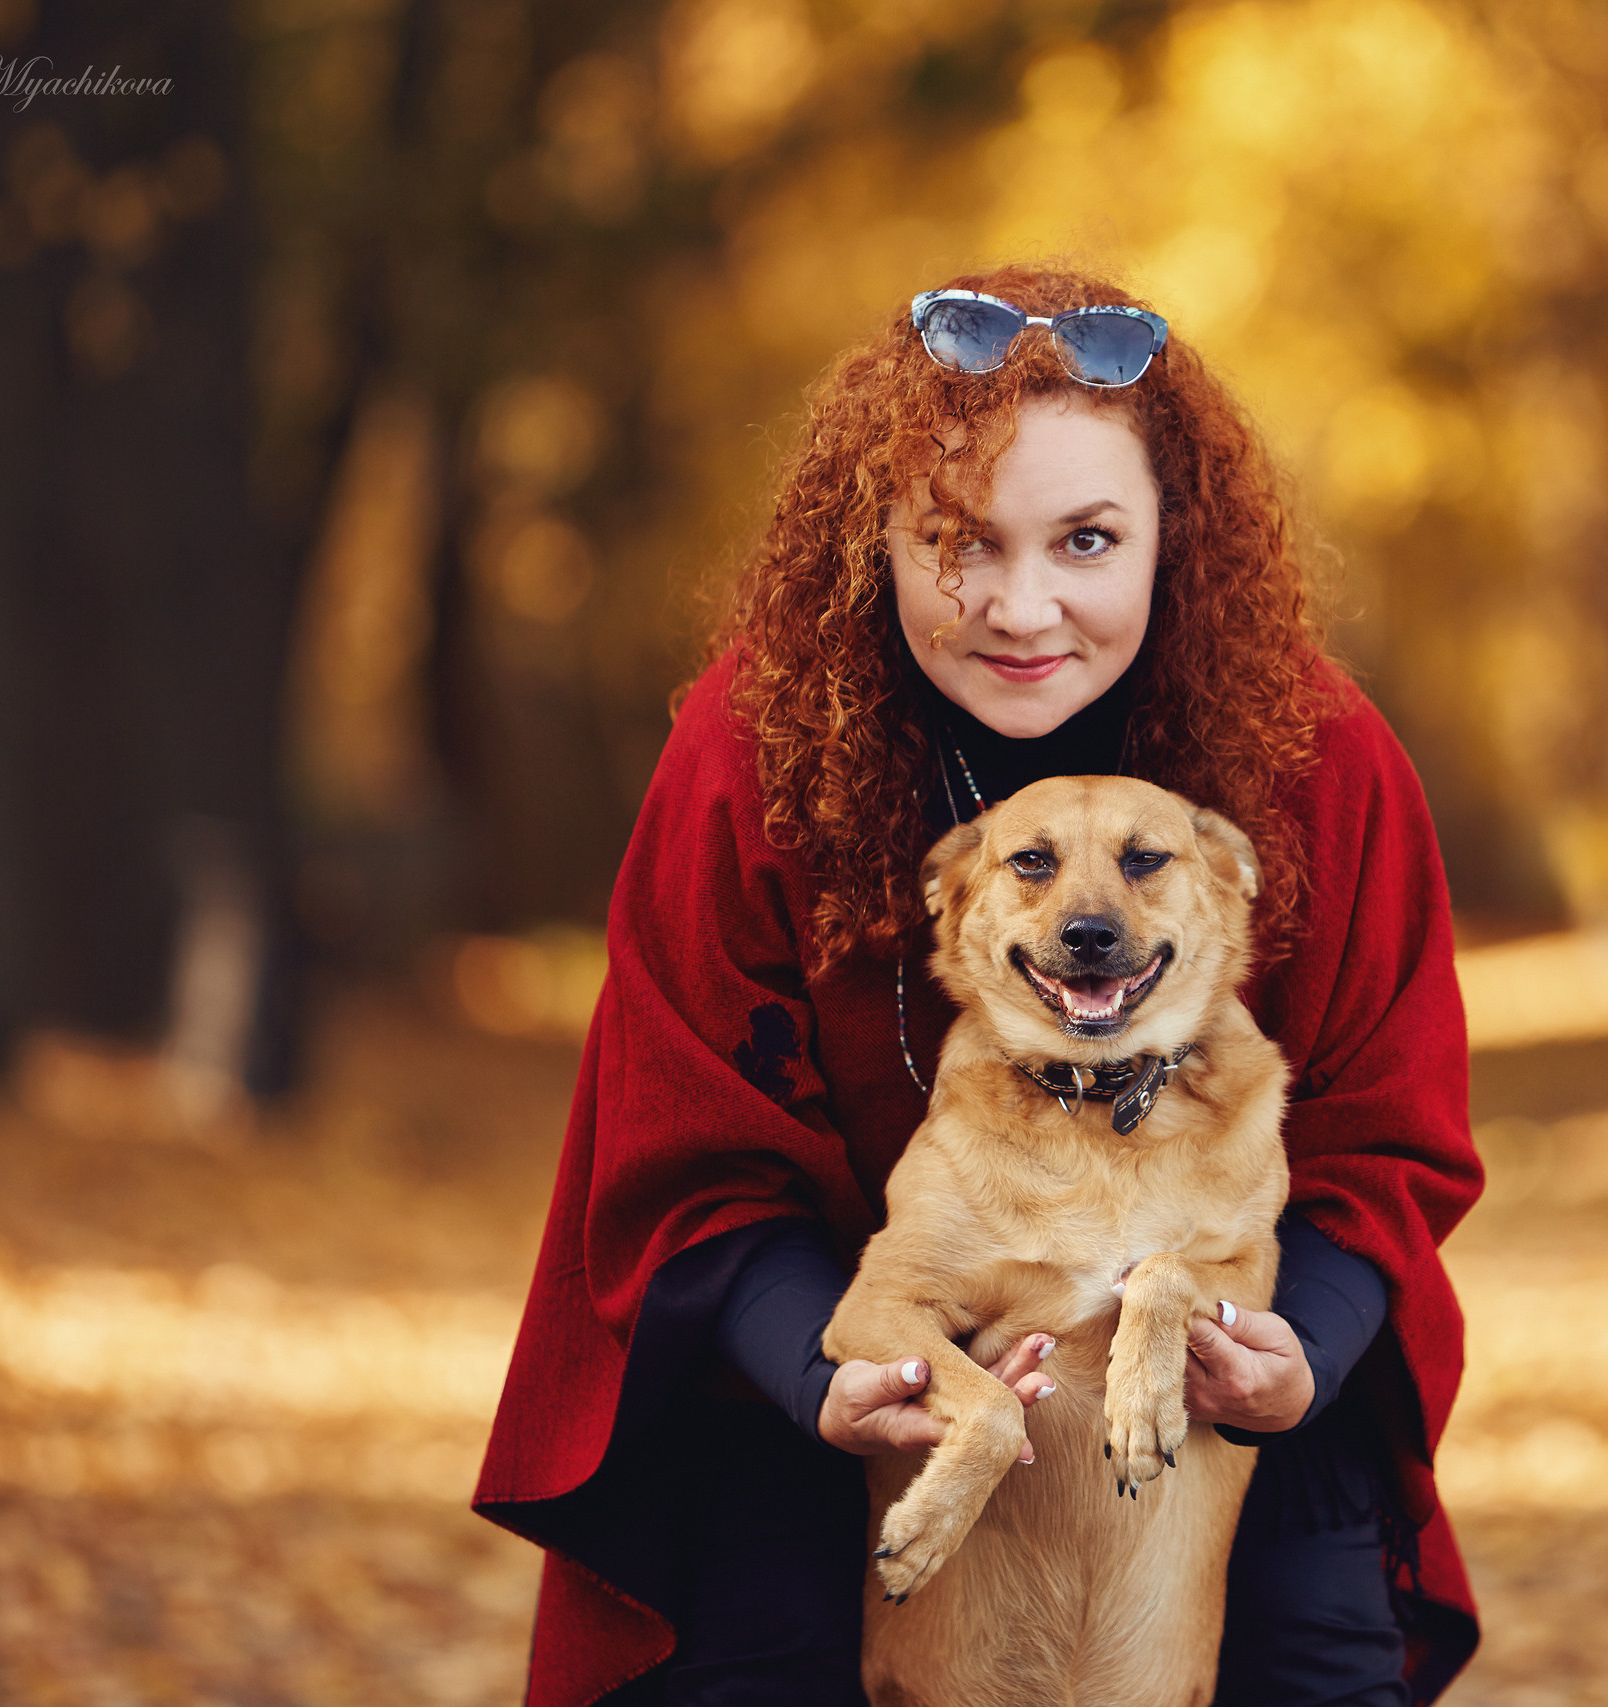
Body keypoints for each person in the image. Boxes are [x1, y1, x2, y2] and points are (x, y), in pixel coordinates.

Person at [474, 263, 1484, 1707]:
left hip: (1219, 1370)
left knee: (1317, 1669)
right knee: (756, 1663)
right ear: (870, 540)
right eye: (960, 541)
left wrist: (1295, 1355)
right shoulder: (752, 753)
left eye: (1086, 541)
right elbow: (682, 1147)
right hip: (825, 1360)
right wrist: (827, 1377)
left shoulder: (1319, 760)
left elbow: (1388, 1132)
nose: (1023, 607)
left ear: (1168, 541)